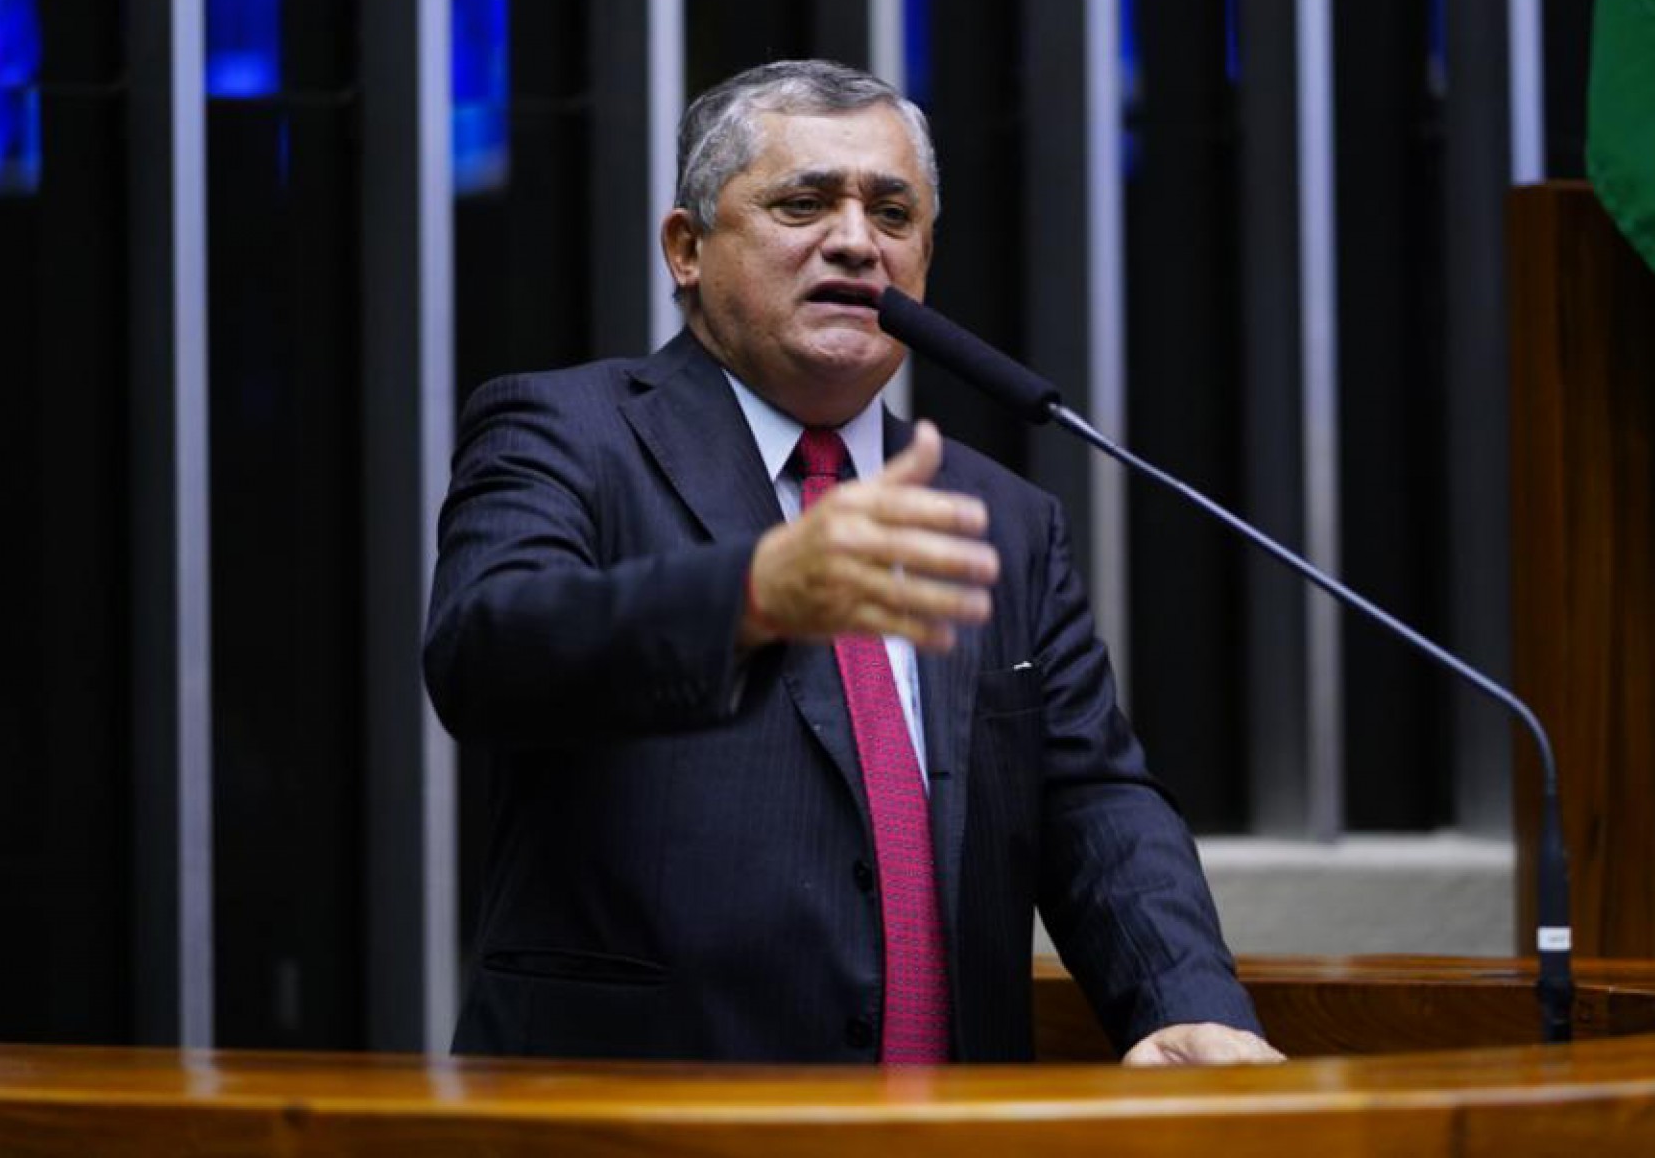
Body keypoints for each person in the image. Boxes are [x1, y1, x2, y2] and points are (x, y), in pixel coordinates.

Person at [424, 59, 1279, 1067]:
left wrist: (1181, 1000)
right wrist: (753, 594)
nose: (853, 240)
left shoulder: (998, 515)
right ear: (686, 247)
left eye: (892, 212)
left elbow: (1092, 794)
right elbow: (490, 652)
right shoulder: (566, 430)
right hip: (642, 1109)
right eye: (803, 202)